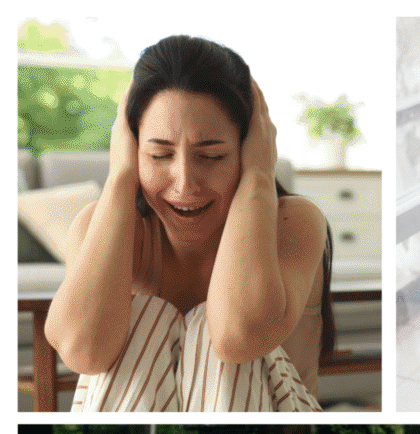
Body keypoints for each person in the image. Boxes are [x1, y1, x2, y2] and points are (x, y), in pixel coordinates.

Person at [46, 35, 334, 411]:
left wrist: (259, 177)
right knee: (146, 317)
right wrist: (119, 179)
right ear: (133, 148)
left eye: (212, 156)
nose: (184, 183)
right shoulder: (101, 225)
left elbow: (237, 336)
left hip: (275, 425)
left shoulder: (292, 221)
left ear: (250, 147)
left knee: (209, 331)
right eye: (159, 154)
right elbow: (83, 352)